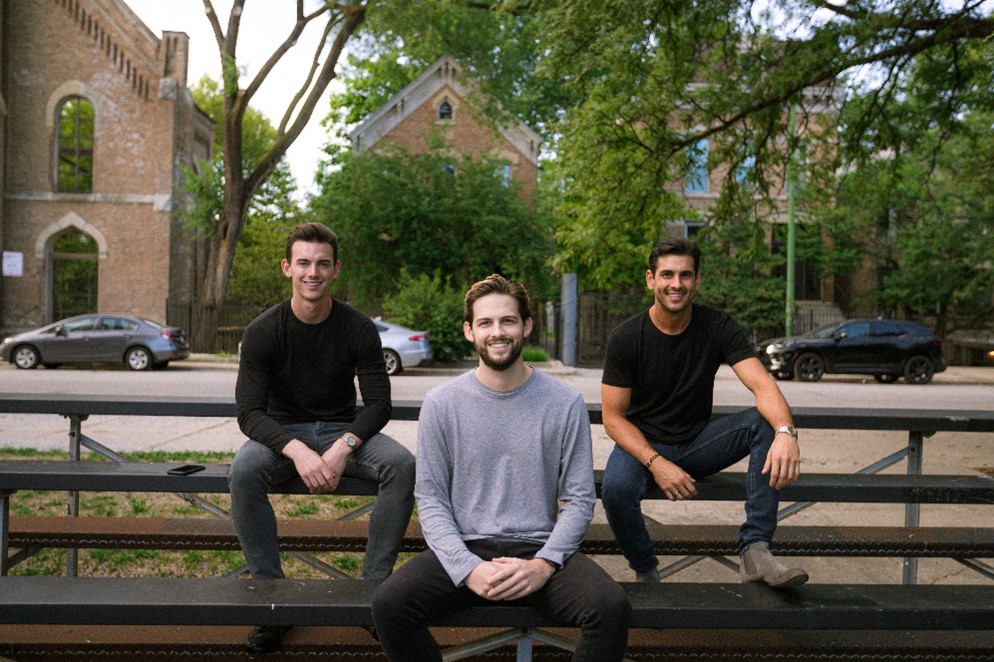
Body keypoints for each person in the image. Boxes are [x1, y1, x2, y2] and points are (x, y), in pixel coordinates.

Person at [371, 274, 631, 662]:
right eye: (486, 323)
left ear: (526, 325)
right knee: (390, 605)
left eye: (507, 321)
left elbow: (578, 499)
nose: (498, 332)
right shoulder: (442, 403)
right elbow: (431, 498)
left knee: (610, 608)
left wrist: (544, 565)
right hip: (466, 545)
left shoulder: (564, 402)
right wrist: (468, 569)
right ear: (468, 331)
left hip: (539, 548)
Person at [229, 222, 416, 654]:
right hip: (280, 434)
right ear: (287, 268)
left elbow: (378, 406)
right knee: (243, 470)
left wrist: (339, 449)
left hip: (341, 430)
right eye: (304, 263)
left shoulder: (357, 327)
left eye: (322, 264)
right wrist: (296, 451)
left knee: (401, 464)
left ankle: (372, 597)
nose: (312, 272)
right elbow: (249, 413)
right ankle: (272, 603)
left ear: (335, 270)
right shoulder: (262, 331)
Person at [600, 237, 807, 588]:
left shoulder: (718, 326)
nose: (675, 284)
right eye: (667, 275)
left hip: (699, 443)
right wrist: (656, 463)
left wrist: (787, 432)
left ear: (697, 280)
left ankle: (755, 550)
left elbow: (763, 386)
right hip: (644, 447)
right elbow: (614, 417)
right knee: (615, 489)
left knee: (765, 423)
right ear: (651, 279)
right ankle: (645, 569)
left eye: (685, 275)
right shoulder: (626, 337)